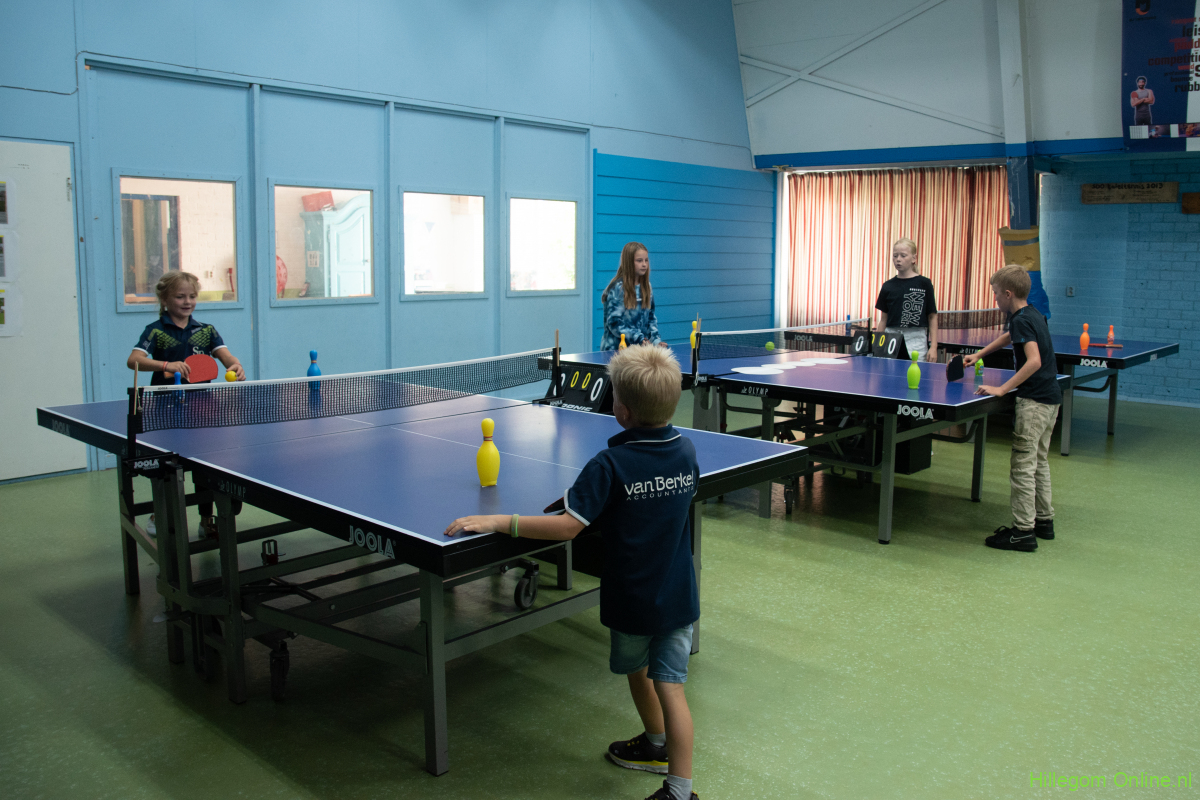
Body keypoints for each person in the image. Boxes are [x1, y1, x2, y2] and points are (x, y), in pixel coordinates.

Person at [445, 345, 700, 800]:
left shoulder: (609, 464)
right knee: (671, 687)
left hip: (633, 597)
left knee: (639, 671)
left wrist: (500, 521)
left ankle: (666, 762)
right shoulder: (686, 451)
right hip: (679, 595)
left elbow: (567, 528)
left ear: (621, 410)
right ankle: (670, 771)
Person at [127, 270, 245, 537]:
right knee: (166, 466)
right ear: (165, 299)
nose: (187, 301)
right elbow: (133, 360)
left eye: (192, 296)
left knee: (205, 466)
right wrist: (166, 365)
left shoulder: (206, 331)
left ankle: (206, 520)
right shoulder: (156, 331)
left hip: (202, 408)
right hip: (165, 409)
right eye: (180, 296)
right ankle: (159, 511)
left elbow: (225, 356)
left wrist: (235, 365)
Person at [963, 264, 1062, 552]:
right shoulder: (1032, 314)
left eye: (996, 293)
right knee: (1038, 461)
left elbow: (1034, 361)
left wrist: (1002, 388)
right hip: (1051, 399)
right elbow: (1010, 337)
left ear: (1008, 294)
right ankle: (1044, 521)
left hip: (1034, 402)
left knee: (1022, 466)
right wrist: (979, 354)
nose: (994, 298)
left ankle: (1022, 531)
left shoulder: (1021, 319)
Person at [874, 238, 939, 361]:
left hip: (916, 339)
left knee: (914, 372)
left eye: (903, 256)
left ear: (914, 258)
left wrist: (934, 346)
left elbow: (932, 316)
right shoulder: (887, 286)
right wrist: (877, 346)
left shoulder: (924, 283)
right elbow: (883, 319)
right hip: (891, 337)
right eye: (895, 256)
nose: (898, 259)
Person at [601, 241, 664, 350]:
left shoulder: (647, 287)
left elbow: (651, 318)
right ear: (629, 262)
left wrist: (656, 340)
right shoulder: (618, 288)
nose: (644, 264)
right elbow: (614, 323)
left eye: (646, 260)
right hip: (616, 350)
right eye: (639, 261)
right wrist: (639, 338)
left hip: (638, 350)